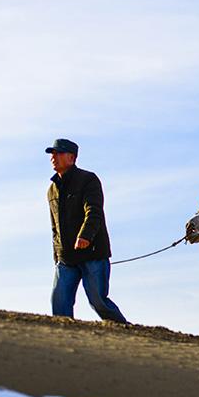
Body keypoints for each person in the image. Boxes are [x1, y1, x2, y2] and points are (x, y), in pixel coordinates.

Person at [47, 138, 127, 324]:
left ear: (72, 157)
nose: (53, 157)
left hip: (92, 254)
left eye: (58, 153)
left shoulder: (88, 179)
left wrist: (85, 236)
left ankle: (126, 332)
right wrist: (56, 255)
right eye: (52, 154)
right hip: (65, 258)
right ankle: (62, 339)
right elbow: (54, 226)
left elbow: (94, 211)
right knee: (59, 304)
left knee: (99, 302)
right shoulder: (51, 190)